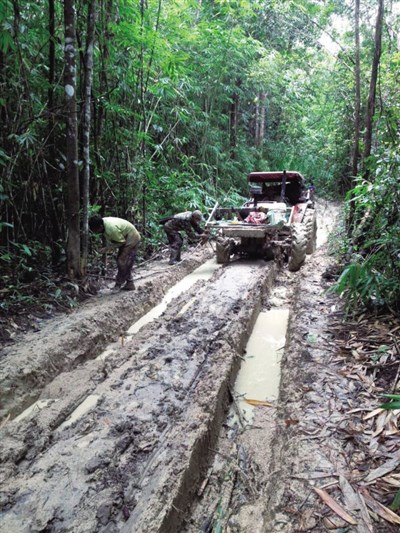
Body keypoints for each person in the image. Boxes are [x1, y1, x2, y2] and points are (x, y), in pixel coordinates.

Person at [89, 215, 141, 291]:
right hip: (125, 237)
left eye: (95, 230)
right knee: (123, 262)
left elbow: (121, 242)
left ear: (100, 227)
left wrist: (107, 248)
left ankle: (119, 283)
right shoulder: (104, 225)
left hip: (131, 238)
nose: (95, 232)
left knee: (122, 261)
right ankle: (129, 283)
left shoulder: (111, 229)